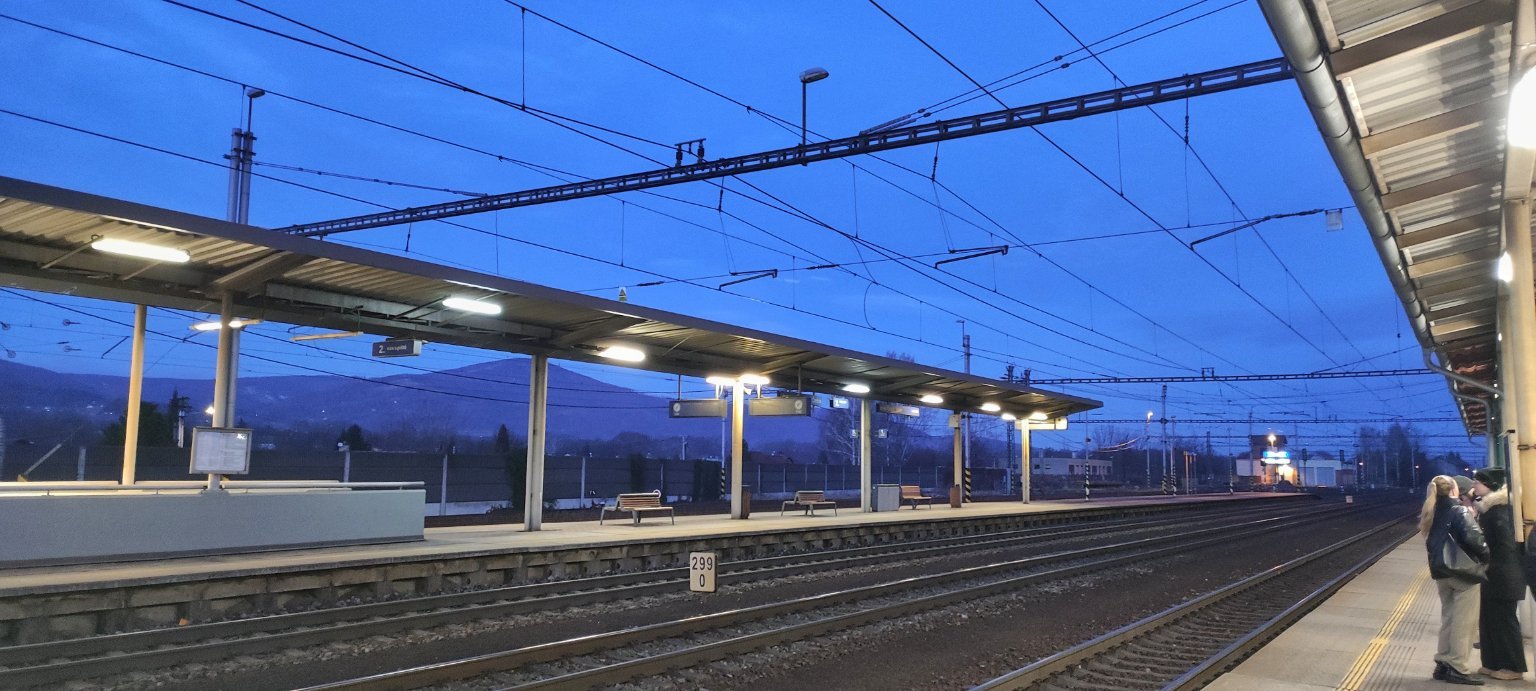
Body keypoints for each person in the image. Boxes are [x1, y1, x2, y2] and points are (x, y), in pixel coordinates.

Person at [1423, 474, 1489, 685]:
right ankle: (1458, 666)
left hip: (1441, 572)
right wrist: (1486, 558)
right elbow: (1476, 540)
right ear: (1453, 490)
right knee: (1465, 622)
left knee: (1449, 618)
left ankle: (1443, 662)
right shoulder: (1459, 511)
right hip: (1462, 573)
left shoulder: (1432, 511)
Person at [1472, 468, 1526, 681]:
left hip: (1503, 575)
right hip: (1494, 575)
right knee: (1489, 619)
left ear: (1489, 485)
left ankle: (1513, 666)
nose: (1474, 485)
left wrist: (1486, 560)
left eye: (1477, 482)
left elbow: (1504, 546)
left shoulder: (1500, 511)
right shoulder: (1490, 510)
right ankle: (1492, 662)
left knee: (1504, 621)